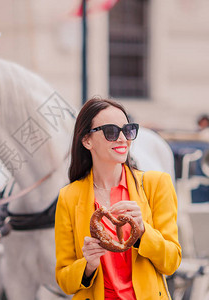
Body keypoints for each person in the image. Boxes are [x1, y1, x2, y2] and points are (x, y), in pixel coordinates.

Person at [55, 97, 181, 299]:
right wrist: (87, 265)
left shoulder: (157, 184)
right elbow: (64, 279)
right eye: (111, 132)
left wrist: (142, 233)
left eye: (128, 130)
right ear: (87, 140)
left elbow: (172, 262)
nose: (123, 139)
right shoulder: (69, 196)